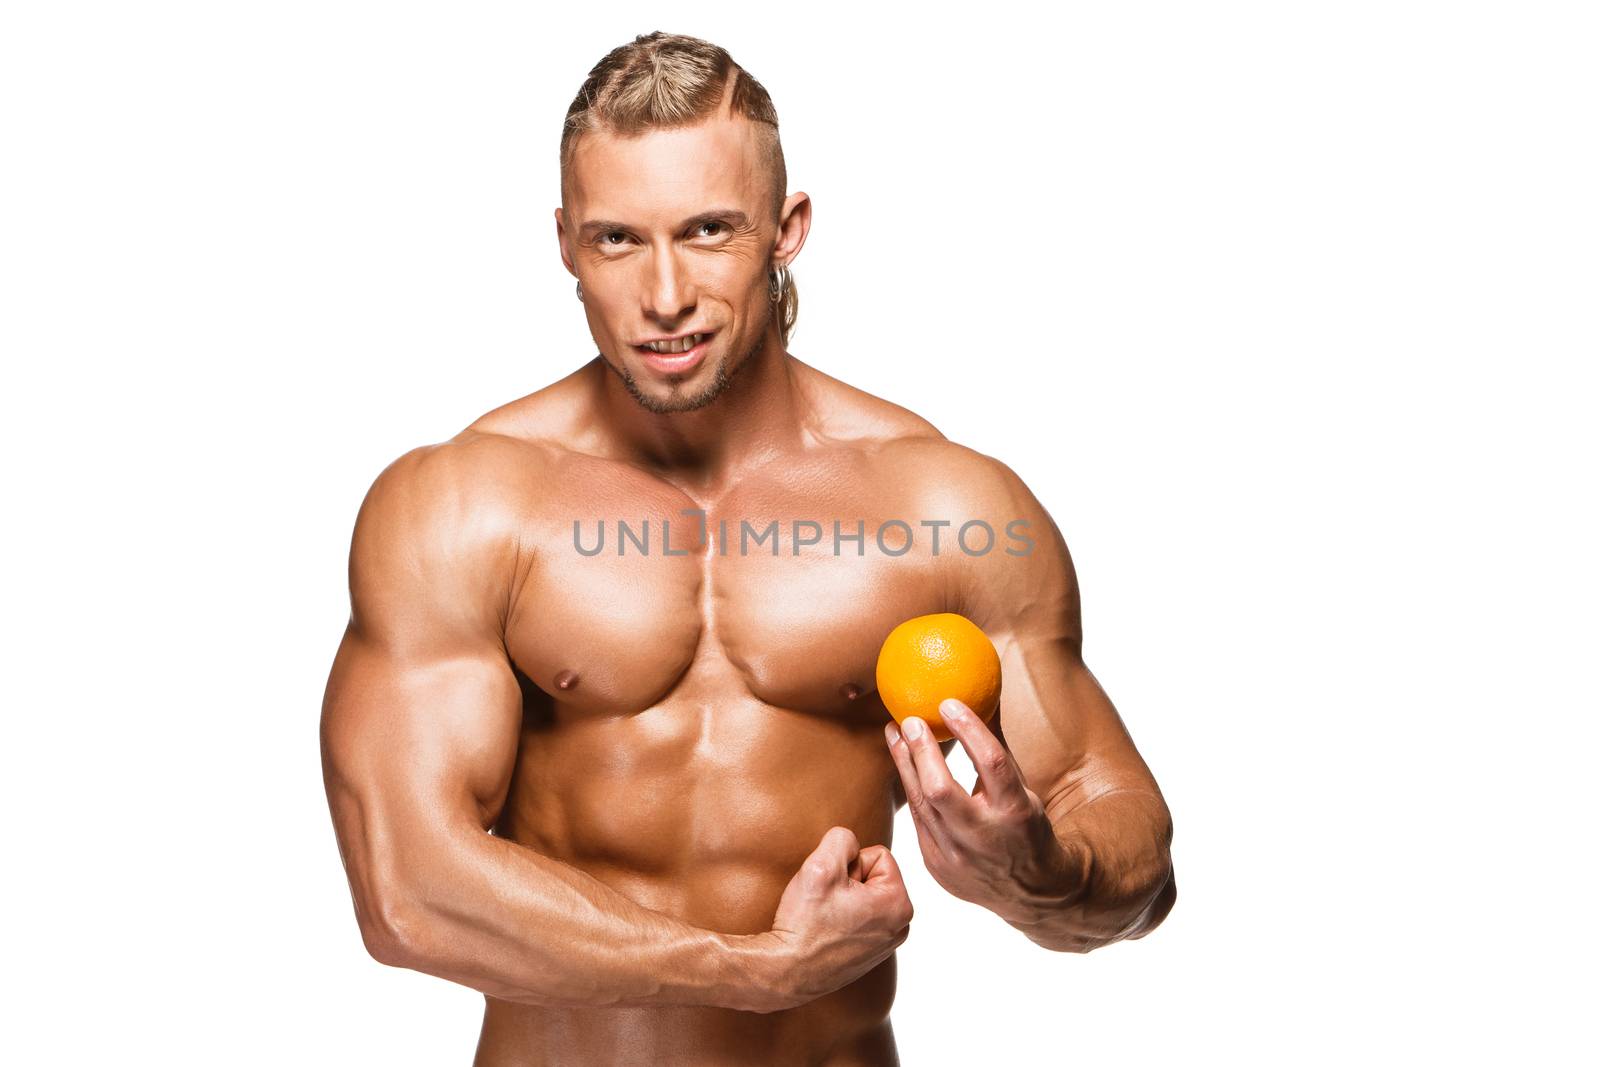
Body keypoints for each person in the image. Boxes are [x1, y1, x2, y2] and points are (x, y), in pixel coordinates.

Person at [320, 30, 1176, 1067]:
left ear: (787, 227)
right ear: (562, 242)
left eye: (708, 230)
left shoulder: (943, 505)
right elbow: (404, 889)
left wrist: (1038, 869)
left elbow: (1125, 844)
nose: (665, 293)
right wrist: (752, 969)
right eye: (617, 240)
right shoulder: (460, 503)